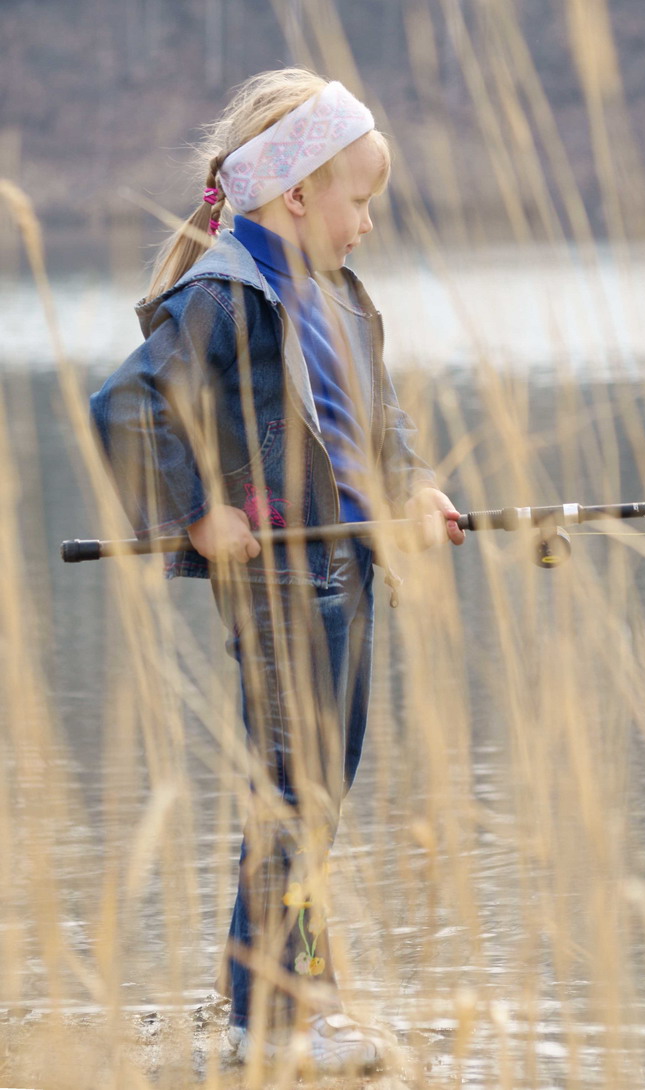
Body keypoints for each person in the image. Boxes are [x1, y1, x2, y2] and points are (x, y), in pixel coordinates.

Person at [90, 67, 464, 1075]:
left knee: (310, 802)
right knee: (296, 803)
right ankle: (280, 1023)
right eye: (359, 199)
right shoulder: (228, 295)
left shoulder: (339, 299)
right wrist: (196, 510)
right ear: (295, 194)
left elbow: (382, 429)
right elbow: (125, 407)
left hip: (350, 577)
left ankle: (274, 1000)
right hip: (284, 589)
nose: (368, 224)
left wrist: (419, 492)